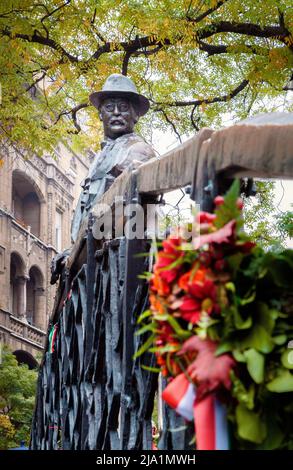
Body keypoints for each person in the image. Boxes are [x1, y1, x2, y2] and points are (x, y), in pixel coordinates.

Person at [50, 74, 155, 284]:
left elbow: (120, 210)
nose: (116, 112)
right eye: (109, 107)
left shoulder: (138, 151)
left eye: (123, 107)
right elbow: (87, 209)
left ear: (135, 115)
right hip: (92, 264)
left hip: (116, 261)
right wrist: (71, 252)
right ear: (100, 115)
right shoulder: (98, 159)